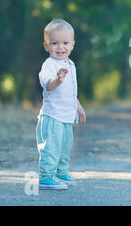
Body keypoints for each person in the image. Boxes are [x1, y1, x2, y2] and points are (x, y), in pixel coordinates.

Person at [36, 18, 86, 190]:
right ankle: (45, 177)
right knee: (52, 147)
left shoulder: (70, 64)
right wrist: (58, 79)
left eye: (65, 43)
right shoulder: (49, 65)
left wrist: (78, 106)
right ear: (46, 45)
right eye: (54, 43)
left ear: (72, 45)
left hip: (66, 116)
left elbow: (71, 91)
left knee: (65, 146)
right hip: (52, 116)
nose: (60, 47)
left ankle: (60, 171)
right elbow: (48, 86)